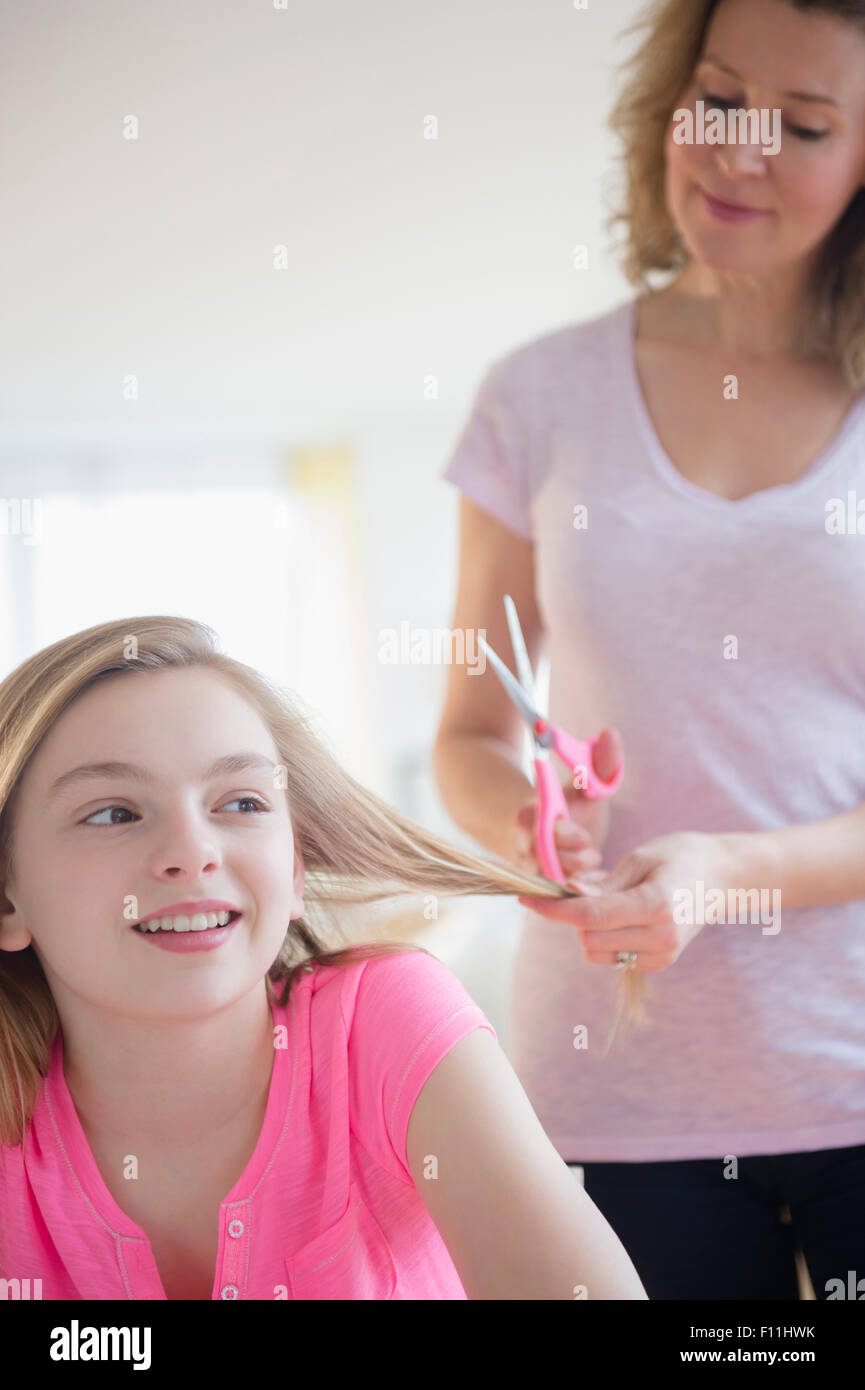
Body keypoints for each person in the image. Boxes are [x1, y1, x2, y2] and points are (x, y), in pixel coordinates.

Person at [434, 0, 865, 1300]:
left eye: (801, 124)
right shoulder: (538, 395)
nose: (738, 150)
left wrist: (729, 871)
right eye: (719, 96)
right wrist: (533, 828)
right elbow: (469, 729)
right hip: (615, 1083)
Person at [0, 613, 646, 1301]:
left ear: (296, 870)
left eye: (241, 802)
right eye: (113, 814)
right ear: (8, 898)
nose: (193, 853)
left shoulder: (387, 1020)